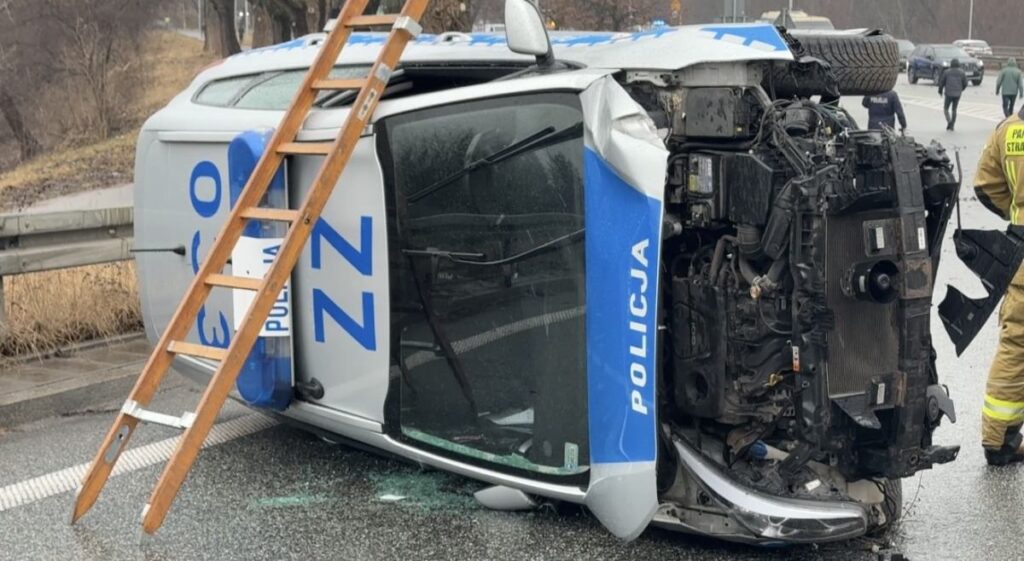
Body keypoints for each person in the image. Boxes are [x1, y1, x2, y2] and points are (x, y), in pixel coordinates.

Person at [973, 103, 1024, 465]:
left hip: (1021, 251)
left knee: (1016, 344)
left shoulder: (1008, 130)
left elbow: (985, 184)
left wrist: (1016, 213)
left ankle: (999, 439)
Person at [938, 58, 968, 131]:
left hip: (948, 93)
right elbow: (965, 83)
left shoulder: (946, 72)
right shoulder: (962, 72)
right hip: (957, 94)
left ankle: (949, 122)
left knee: (946, 109)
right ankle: (952, 124)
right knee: (954, 109)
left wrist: (940, 91)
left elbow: (941, 82)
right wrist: (961, 89)